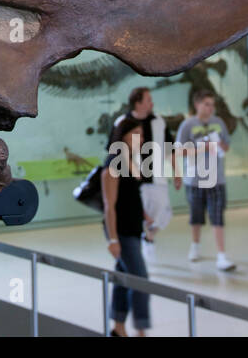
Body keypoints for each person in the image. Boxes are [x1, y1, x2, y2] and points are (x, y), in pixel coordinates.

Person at [110, 86, 176, 259]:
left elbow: (170, 149)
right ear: (137, 103)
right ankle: (140, 247)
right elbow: (114, 151)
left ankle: (148, 237)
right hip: (132, 183)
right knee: (138, 216)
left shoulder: (159, 122)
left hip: (156, 179)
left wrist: (177, 173)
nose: (152, 103)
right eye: (148, 100)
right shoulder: (122, 123)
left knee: (164, 214)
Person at [101, 116, 150, 336]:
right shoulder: (114, 162)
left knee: (123, 278)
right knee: (140, 280)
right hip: (121, 232)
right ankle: (141, 329)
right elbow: (109, 205)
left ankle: (118, 327)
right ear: (124, 136)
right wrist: (112, 239)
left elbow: (131, 196)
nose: (141, 139)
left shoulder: (130, 159)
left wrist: (145, 216)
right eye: (136, 134)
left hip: (133, 227)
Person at [176, 88, 235, 271]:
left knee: (217, 216)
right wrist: (201, 149)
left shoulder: (219, 123)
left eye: (212, 105)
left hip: (216, 179)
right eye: (207, 104)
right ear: (197, 105)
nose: (210, 108)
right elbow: (180, 150)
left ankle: (222, 255)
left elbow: (226, 146)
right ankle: (195, 246)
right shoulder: (187, 125)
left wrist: (218, 145)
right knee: (196, 215)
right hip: (194, 179)